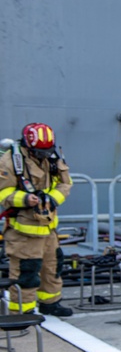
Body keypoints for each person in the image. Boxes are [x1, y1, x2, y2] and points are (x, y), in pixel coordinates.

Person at [0, 123, 73, 316]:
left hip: (48, 227)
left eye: (46, 152)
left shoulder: (52, 157)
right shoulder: (9, 162)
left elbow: (65, 183)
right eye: (39, 153)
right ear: (27, 146)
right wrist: (25, 199)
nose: (44, 156)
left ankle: (51, 303)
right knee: (26, 271)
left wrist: (52, 199)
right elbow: (2, 192)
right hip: (24, 230)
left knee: (53, 267)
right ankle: (22, 311)